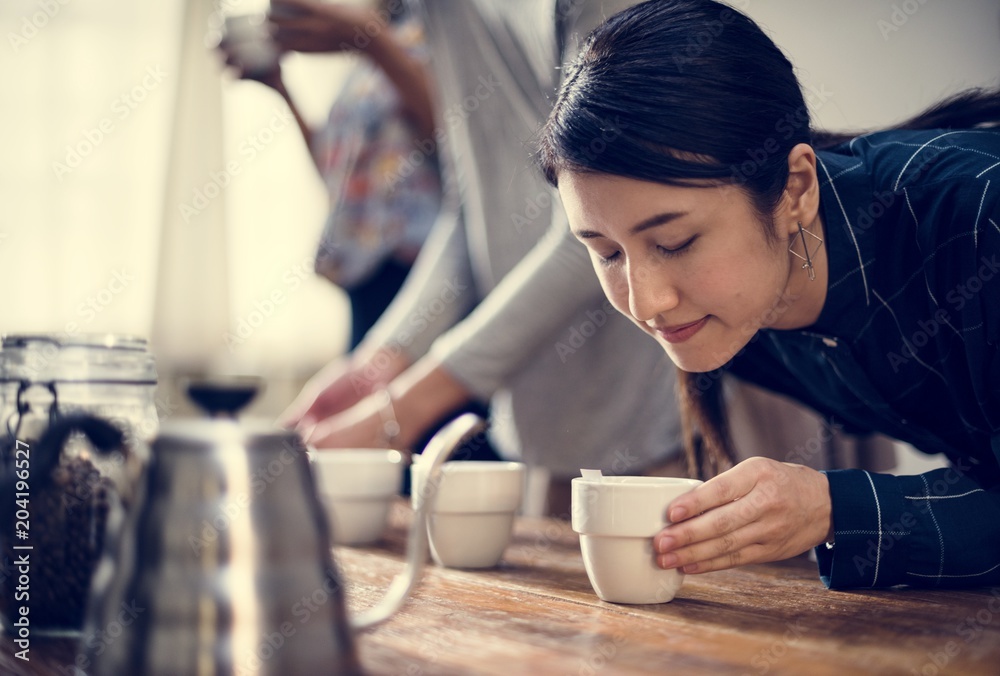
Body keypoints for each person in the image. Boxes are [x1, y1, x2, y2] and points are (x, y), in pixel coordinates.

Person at [538, 0, 1000, 587]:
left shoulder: (980, 217)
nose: (647, 302)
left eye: (676, 242)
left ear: (797, 188)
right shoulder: (738, 323)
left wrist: (834, 508)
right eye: (606, 253)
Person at [221, 0, 440, 349]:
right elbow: (339, 174)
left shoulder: (443, 37)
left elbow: (456, 140)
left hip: (420, 270)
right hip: (365, 272)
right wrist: (279, 87)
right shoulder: (370, 58)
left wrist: (374, 41)